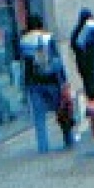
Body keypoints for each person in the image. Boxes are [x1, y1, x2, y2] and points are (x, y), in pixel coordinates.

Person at [20, 14, 73, 153]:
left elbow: (25, 65)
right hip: (52, 81)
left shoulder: (23, 41)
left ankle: (43, 147)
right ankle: (68, 139)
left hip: (34, 83)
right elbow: (57, 61)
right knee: (62, 111)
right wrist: (64, 82)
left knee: (39, 118)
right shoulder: (48, 38)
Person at [70, 7, 94, 100]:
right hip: (93, 61)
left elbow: (73, 45)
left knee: (87, 84)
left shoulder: (77, 30)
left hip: (82, 63)